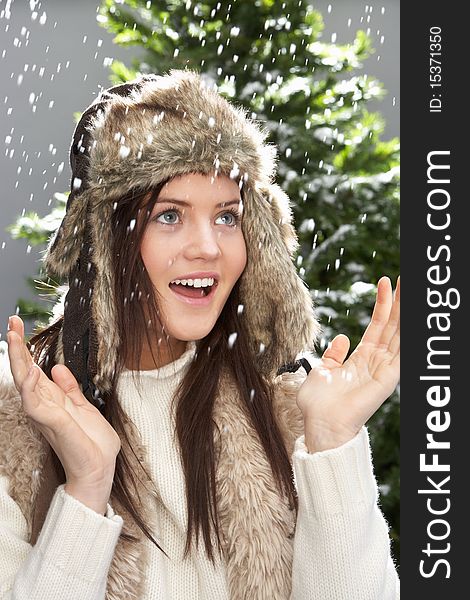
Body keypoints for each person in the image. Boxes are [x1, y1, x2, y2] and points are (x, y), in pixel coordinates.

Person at [0, 69, 400, 600]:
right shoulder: (15, 423)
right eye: (169, 215)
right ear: (105, 240)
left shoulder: (288, 405)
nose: (208, 247)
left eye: (228, 217)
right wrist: (87, 487)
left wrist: (331, 441)